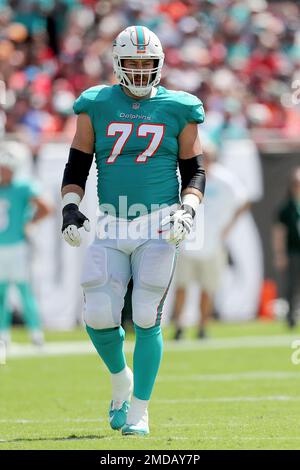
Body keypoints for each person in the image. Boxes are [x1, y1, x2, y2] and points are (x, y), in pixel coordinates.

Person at [61, 25, 206, 436]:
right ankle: (119, 378)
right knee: (98, 313)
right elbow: (77, 164)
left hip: (159, 221)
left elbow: (194, 169)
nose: (141, 72)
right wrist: (71, 208)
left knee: (145, 313)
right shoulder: (97, 103)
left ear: (159, 64)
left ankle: (139, 409)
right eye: (133, 64)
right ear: (117, 65)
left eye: (147, 64)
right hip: (110, 219)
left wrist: (189, 210)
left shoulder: (179, 106)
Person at [173, 139, 249, 339]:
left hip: (212, 244)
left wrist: (226, 228)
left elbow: (243, 201)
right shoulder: (186, 176)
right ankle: (179, 326)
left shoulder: (225, 179)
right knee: (182, 286)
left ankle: (202, 327)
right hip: (187, 242)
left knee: (208, 288)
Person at [0, 148, 52, 346]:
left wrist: (30, 223)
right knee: (1, 292)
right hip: (1, 246)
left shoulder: (22, 186)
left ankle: (36, 332)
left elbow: (46, 207)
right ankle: (3, 334)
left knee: (24, 290)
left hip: (18, 246)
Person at [273, 167, 300, 328]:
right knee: (291, 284)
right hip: (293, 251)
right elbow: (279, 233)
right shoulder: (285, 208)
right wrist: (280, 254)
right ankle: (291, 317)